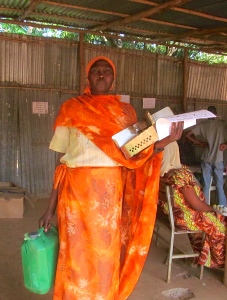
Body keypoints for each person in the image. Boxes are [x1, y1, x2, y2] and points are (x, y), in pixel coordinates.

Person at [39, 56, 184, 300]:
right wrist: (50, 207)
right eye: (96, 71)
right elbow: (61, 162)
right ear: (88, 78)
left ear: (113, 78)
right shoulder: (71, 108)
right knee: (75, 254)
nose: (102, 74)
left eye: (107, 71)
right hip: (75, 194)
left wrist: (162, 144)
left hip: (109, 195)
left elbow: (135, 156)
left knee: (105, 254)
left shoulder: (125, 113)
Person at [159, 141, 227, 268]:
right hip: (184, 217)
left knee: (213, 220)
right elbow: (197, 206)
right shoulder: (180, 175)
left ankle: (202, 256)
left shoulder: (160, 175)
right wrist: (215, 209)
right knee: (221, 224)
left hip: (173, 215)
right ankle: (218, 262)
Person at [185, 106, 227, 206]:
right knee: (219, 185)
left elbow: (188, 135)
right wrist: (226, 144)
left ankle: (204, 207)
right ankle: (223, 208)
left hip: (206, 158)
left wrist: (199, 142)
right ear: (216, 113)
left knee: (206, 185)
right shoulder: (222, 125)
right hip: (218, 158)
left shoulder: (203, 125)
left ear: (206, 114)